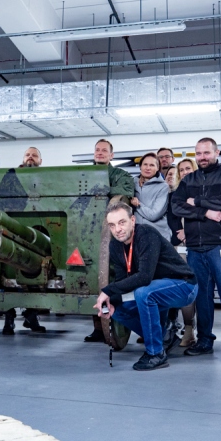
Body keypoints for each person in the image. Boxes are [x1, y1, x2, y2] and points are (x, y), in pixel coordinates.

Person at [172, 138, 221, 363]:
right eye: (198, 154)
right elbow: (177, 205)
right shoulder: (189, 179)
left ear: (217, 152)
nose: (202, 158)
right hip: (196, 247)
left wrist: (196, 201)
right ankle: (205, 340)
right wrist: (204, 213)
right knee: (203, 298)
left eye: (206, 153)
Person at [94, 202, 198, 370]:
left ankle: (156, 354)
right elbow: (122, 280)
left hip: (183, 285)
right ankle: (165, 337)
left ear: (132, 220)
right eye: (112, 225)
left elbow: (144, 277)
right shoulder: (115, 245)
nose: (117, 229)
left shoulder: (146, 234)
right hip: (155, 289)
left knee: (144, 292)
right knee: (117, 308)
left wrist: (107, 290)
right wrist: (109, 302)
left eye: (122, 222)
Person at [85, 139, 135, 343]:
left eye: (104, 150)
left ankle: (112, 323)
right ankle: (98, 327)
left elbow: (123, 195)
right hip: (85, 232)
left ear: (111, 155)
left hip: (110, 233)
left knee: (108, 278)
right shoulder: (82, 175)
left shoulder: (121, 175)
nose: (100, 153)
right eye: (97, 150)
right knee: (89, 278)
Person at [2, 147, 47, 335]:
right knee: (7, 272)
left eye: (34, 155)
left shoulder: (47, 178)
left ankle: (31, 314)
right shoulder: (12, 178)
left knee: (40, 270)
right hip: (13, 230)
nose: (30, 157)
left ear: (40, 160)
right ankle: (9, 318)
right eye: (27, 155)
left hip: (41, 229)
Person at [169, 159, 199, 347]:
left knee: (198, 289)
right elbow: (171, 217)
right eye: (182, 169)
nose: (185, 171)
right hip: (179, 246)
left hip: (199, 245)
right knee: (182, 287)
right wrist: (180, 233)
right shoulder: (174, 194)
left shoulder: (203, 193)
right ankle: (184, 328)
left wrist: (191, 232)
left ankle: (196, 330)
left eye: (188, 168)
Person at [131, 153, 172, 241]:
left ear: (157, 168)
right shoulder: (132, 183)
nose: (148, 168)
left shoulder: (163, 187)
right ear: (140, 166)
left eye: (152, 165)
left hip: (157, 236)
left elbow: (154, 215)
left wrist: (137, 205)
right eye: (145, 164)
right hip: (137, 235)